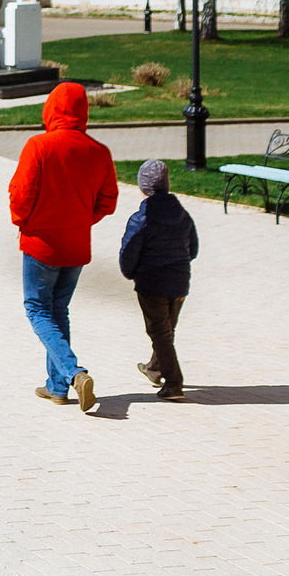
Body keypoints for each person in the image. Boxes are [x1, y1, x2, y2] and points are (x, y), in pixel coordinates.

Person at [7, 82, 118, 411]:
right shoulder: (98, 151)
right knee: (59, 311)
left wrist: (22, 221)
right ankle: (57, 387)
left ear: (51, 108)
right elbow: (107, 201)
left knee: (38, 310)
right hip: (76, 245)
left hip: (41, 243)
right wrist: (81, 221)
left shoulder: (39, 146)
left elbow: (21, 193)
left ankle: (73, 373)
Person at [119, 159, 199, 401]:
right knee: (166, 329)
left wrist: (131, 272)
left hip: (151, 283)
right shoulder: (182, 214)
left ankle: (174, 384)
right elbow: (192, 249)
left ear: (143, 187)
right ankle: (155, 368)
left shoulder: (141, 219)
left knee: (159, 331)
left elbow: (128, 253)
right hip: (179, 281)